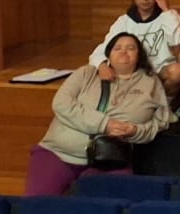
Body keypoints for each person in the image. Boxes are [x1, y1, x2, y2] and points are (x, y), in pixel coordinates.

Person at [26, 33, 169, 195]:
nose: (124, 52)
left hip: (111, 160)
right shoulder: (86, 73)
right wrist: (104, 125)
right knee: (36, 205)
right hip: (59, 152)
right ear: (108, 54)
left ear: (139, 55)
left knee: (104, 208)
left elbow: (160, 123)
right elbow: (61, 103)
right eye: (117, 48)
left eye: (131, 48)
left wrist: (135, 131)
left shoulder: (151, 83)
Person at [89, 0, 180, 99]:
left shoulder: (169, 16)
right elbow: (103, 49)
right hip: (133, 73)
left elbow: (177, 40)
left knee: (177, 71)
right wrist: (101, 65)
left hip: (160, 72)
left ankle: (164, 105)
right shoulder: (124, 22)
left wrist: (165, 9)